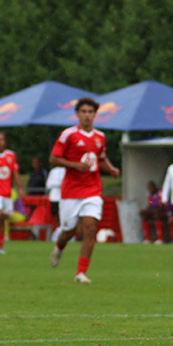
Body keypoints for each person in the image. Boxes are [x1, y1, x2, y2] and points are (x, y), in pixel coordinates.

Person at [48, 97, 121, 283]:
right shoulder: (68, 135)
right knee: (69, 231)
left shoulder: (100, 137)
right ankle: (59, 247)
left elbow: (101, 159)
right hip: (71, 191)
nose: (87, 115)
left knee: (90, 228)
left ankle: (80, 273)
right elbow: (54, 159)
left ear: (95, 115)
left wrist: (111, 169)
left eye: (90, 112)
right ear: (77, 114)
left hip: (93, 190)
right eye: (84, 112)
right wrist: (75, 165)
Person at [45, 165, 65, 242]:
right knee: (55, 216)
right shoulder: (53, 171)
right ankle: (58, 232)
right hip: (54, 197)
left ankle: (63, 231)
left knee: (63, 216)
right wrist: (58, 184)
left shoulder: (66, 170)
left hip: (64, 197)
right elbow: (48, 184)